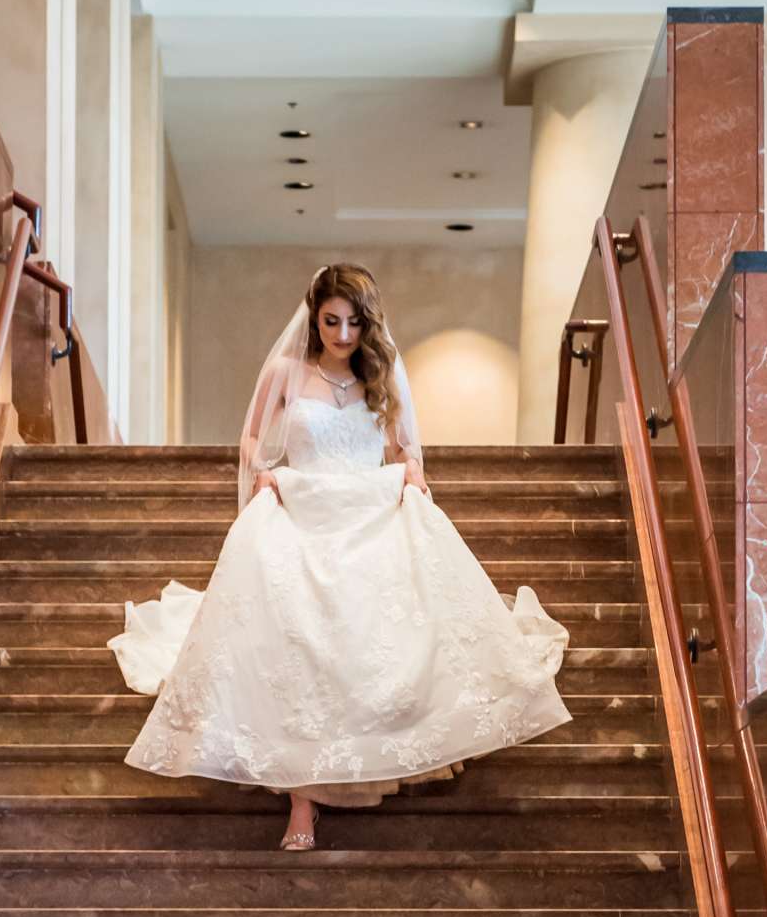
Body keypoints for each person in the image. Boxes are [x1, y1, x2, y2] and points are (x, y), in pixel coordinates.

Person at [112, 262, 570, 849]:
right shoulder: (286, 372)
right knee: (296, 638)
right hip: (302, 513)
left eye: (355, 322)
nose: (344, 334)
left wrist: (412, 474)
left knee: (371, 635)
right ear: (315, 317)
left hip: (366, 516)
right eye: (332, 321)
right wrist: (262, 474)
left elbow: (409, 447)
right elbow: (252, 437)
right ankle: (300, 802)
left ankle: (380, 751)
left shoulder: (385, 372)